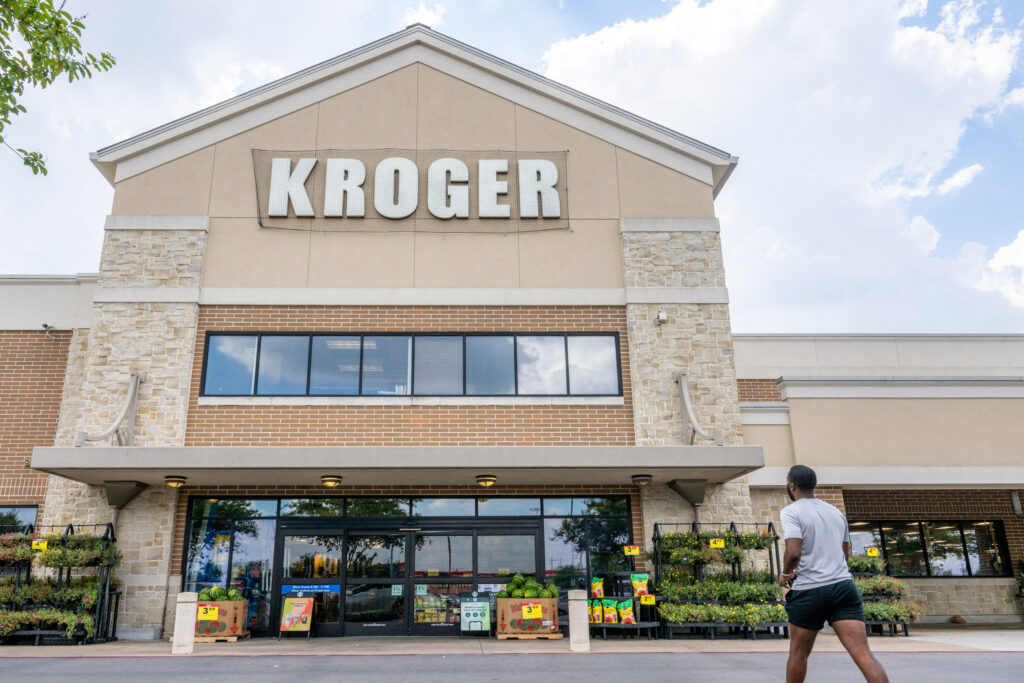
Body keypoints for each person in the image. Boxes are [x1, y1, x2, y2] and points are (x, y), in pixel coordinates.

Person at [779, 465, 888, 683]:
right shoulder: (836, 513)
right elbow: (844, 554)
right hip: (843, 588)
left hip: (810, 591)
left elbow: (793, 551)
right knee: (863, 654)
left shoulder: (791, 511)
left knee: (798, 653)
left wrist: (785, 573)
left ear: (792, 486)